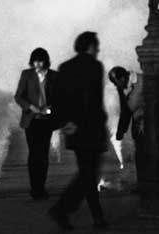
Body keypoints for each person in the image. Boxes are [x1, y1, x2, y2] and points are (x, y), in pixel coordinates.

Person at [47, 32, 109, 230]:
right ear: (90, 46)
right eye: (96, 46)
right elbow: (93, 101)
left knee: (87, 173)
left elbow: (56, 99)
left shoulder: (65, 68)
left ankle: (96, 217)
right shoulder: (94, 66)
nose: (98, 50)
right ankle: (62, 209)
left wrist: (65, 122)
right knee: (88, 175)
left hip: (74, 129)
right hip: (91, 127)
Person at [14, 47, 57, 199]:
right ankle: (35, 188)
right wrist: (31, 107)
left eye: (40, 61)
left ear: (46, 61)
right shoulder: (26, 75)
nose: (37, 64)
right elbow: (18, 96)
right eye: (34, 61)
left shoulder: (54, 76)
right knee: (34, 154)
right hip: (31, 120)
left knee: (43, 154)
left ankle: (41, 186)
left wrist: (50, 109)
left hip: (47, 120)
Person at [109, 65, 145, 189]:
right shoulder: (130, 85)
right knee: (140, 154)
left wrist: (121, 131)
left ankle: (145, 184)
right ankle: (143, 183)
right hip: (139, 124)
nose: (116, 86)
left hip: (145, 124)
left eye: (116, 82)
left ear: (122, 78)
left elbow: (127, 110)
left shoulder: (141, 82)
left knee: (143, 155)